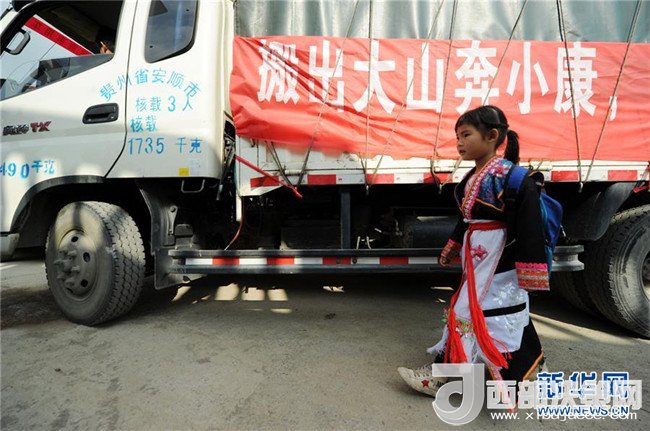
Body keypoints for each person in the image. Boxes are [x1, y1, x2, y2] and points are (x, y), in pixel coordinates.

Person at [398, 105, 549, 397]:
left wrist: (530, 272)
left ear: (491, 136)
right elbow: (466, 219)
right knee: (503, 311)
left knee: (469, 311)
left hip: (500, 258)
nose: (459, 143)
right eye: (458, 137)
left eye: (466, 135)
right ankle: (531, 367)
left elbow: (530, 227)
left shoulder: (514, 178)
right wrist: (454, 245)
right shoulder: (473, 176)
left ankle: (442, 375)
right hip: (478, 255)